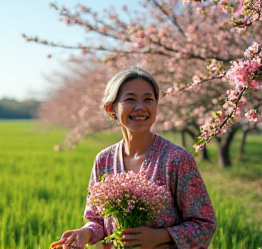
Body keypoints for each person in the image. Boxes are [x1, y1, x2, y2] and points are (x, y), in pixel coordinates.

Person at [55, 67, 216, 249]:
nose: (141, 107)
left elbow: (205, 225)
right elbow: (97, 219)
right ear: (111, 108)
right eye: (130, 99)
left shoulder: (176, 160)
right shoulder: (104, 160)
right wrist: (87, 231)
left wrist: (159, 236)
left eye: (148, 99)